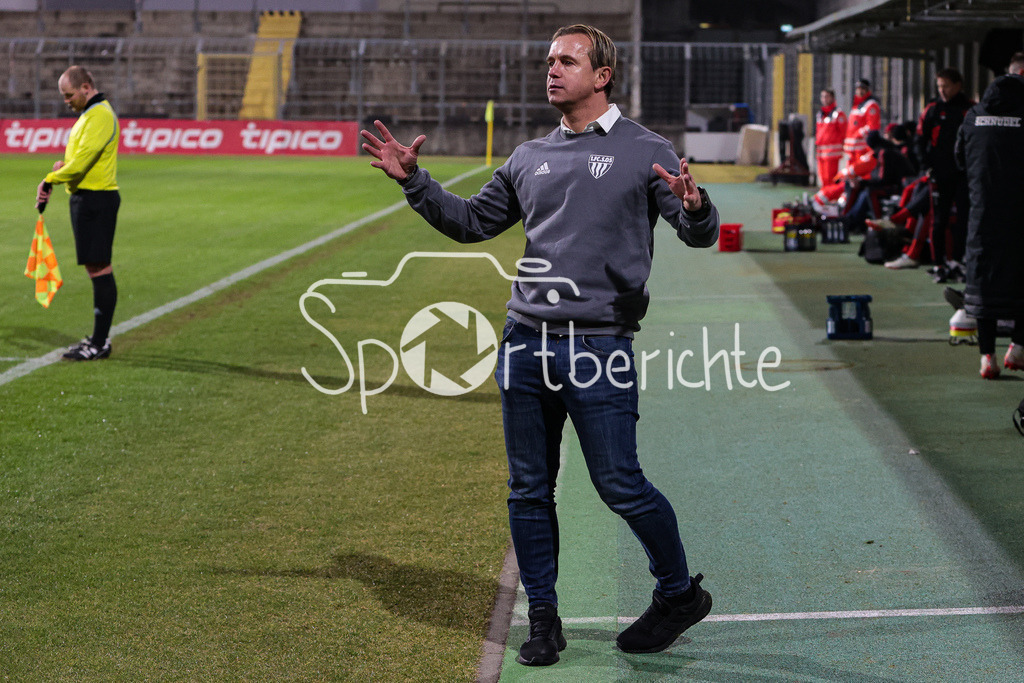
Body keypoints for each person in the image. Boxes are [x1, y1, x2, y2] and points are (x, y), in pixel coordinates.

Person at [360, 24, 718, 666]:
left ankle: (678, 595)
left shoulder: (646, 150)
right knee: (529, 489)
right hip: (524, 343)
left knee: (619, 484)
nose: (552, 70)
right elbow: (472, 222)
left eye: (567, 60)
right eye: (549, 60)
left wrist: (695, 207)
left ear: (602, 74)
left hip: (599, 346)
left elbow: (698, 234)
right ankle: (544, 621)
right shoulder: (529, 156)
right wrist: (415, 183)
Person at [35, 65, 121, 361]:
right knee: (96, 268)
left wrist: (50, 178)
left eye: (69, 95)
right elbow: (79, 159)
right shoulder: (90, 115)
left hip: (96, 199)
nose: (66, 101)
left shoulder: (100, 115)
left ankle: (99, 343)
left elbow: (83, 162)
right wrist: (63, 168)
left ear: (86, 87)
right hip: (87, 198)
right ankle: (99, 341)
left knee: (100, 269)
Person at [955, 66, 1024, 379]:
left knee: (982, 284)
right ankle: (1018, 349)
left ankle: (987, 359)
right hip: (1019, 217)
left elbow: (959, 158)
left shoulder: (973, 118)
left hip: (982, 216)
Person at [915, 68, 973, 283]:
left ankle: (958, 262)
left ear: (958, 85)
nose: (943, 90)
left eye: (946, 86)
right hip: (939, 174)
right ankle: (938, 263)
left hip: (963, 175)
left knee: (964, 219)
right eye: (939, 86)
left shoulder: (970, 110)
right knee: (939, 220)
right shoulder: (932, 109)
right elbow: (920, 140)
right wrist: (926, 167)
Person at [843, 78, 881, 168]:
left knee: (861, 172)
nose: (860, 91)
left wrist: (859, 134)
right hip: (852, 149)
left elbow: (873, 126)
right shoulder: (856, 105)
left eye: (862, 88)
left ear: (867, 90)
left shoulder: (871, 105)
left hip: (862, 148)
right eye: (858, 88)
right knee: (851, 174)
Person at [815, 88, 846, 186]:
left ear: (832, 98)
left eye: (827, 97)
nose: (824, 99)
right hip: (821, 152)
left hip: (832, 153)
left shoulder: (838, 114)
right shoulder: (820, 115)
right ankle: (825, 198)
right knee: (823, 178)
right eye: (822, 97)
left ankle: (831, 198)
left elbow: (844, 132)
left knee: (830, 178)